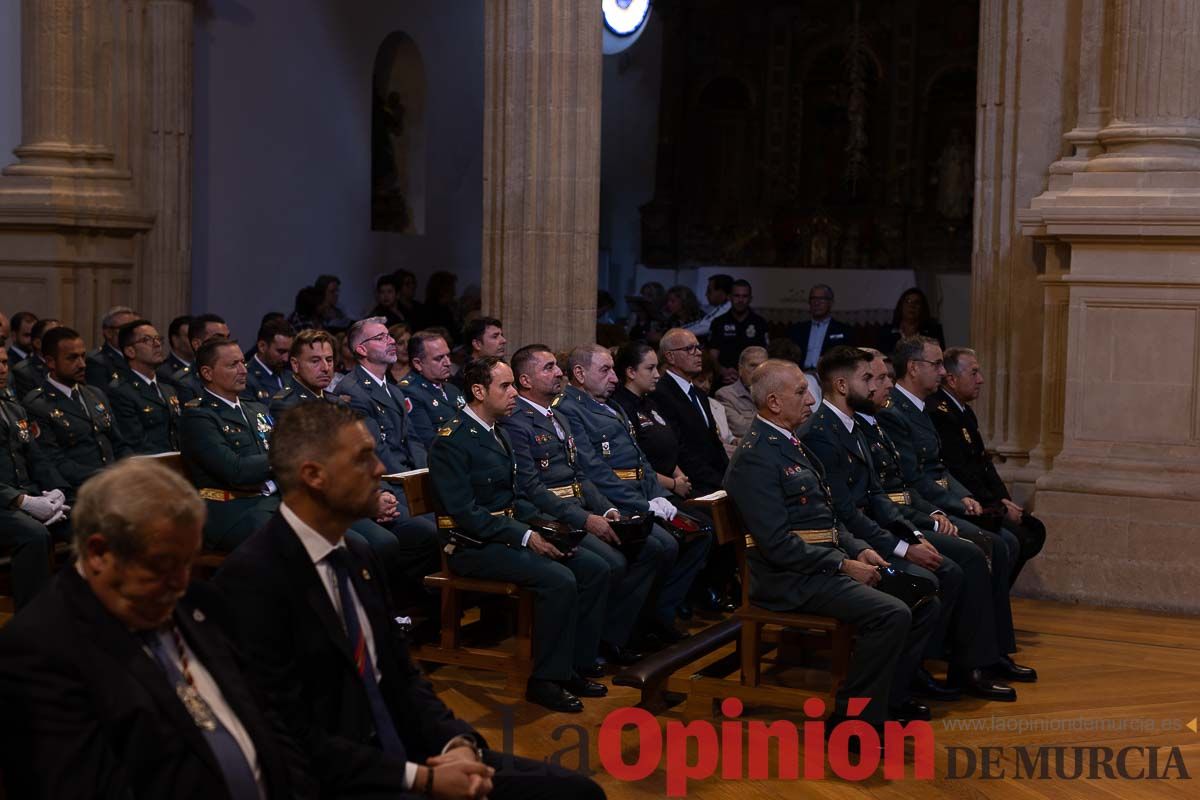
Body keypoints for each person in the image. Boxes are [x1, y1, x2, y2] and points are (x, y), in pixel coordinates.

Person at [213, 401, 604, 798]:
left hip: (410, 751)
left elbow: (401, 676)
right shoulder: (253, 579)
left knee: (578, 792)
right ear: (314, 475)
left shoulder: (356, 554)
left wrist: (457, 744)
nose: (380, 469)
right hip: (345, 780)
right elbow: (288, 737)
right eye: (363, 458)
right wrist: (424, 780)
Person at [0, 459, 312, 799]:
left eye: (188, 563)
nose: (180, 582)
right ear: (99, 553)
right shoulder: (40, 650)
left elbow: (270, 721)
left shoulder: (198, 603)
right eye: (163, 564)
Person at [724, 359, 938, 729]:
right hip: (788, 578)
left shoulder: (790, 442)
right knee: (892, 613)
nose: (811, 400)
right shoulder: (756, 456)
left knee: (924, 597)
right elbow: (777, 545)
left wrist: (858, 549)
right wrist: (842, 565)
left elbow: (829, 517)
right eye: (800, 392)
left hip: (819, 565)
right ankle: (851, 721)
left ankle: (887, 699)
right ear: (774, 402)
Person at [804, 346, 1019, 701]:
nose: (879, 385)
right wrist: (905, 545)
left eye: (881, 376)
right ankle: (919, 673)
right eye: (870, 377)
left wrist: (916, 533)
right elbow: (846, 512)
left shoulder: (854, 423)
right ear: (843, 385)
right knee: (946, 570)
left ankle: (953, 664)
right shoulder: (824, 433)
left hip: (877, 530)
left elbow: (880, 495)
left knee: (964, 557)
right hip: (854, 544)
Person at [429, 356, 612, 712]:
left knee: (593, 567)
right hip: (471, 546)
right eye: (505, 386)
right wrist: (527, 537)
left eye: (514, 384)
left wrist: (552, 527)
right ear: (479, 391)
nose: (514, 393)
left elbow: (513, 501)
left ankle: (573, 664)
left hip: (503, 534)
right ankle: (544, 680)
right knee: (558, 580)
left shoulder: (496, 431)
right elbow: (466, 514)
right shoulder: (452, 440)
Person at [875, 339, 1035, 688]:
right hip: (912, 509)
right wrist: (941, 508)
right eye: (936, 364)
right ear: (914, 367)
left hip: (931, 502)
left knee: (1002, 542)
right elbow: (911, 478)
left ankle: (992, 653)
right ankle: (971, 661)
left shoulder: (919, 407)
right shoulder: (894, 411)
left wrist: (962, 498)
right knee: (986, 546)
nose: (943, 371)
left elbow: (939, 468)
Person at [502, 344, 669, 667]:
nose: (559, 373)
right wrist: (587, 518)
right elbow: (532, 488)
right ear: (525, 380)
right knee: (609, 564)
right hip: (550, 517)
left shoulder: (557, 416)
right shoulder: (517, 421)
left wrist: (606, 510)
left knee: (651, 547)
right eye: (548, 368)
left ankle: (611, 636)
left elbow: (580, 473)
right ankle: (584, 651)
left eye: (557, 366)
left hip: (578, 508)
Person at [556, 344, 709, 644]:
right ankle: (620, 633)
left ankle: (653, 617)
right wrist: (644, 504)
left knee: (699, 532)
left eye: (613, 369)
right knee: (661, 545)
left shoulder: (610, 405)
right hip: (613, 501)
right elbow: (595, 470)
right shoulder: (569, 409)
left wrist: (657, 496)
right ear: (579, 374)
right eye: (605, 370)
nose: (614, 378)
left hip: (639, 494)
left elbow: (641, 462)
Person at [932, 347, 1046, 585]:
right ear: (952, 379)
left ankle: (997, 597)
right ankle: (992, 602)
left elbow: (984, 463)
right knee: (1012, 540)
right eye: (974, 373)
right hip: (968, 502)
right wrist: (997, 506)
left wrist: (1004, 500)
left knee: (1033, 529)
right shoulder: (941, 413)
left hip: (986, 500)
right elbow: (960, 472)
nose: (980, 380)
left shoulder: (965, 412)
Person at [179, 337, 279, 552]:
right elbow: (235, 471)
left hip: (271, 502)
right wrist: (284, 457)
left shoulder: (257, 410)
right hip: (232, 511)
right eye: (233, 365)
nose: (243, 370)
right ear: (207, 373)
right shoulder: (198, 417)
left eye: (243, 362)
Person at [0, 346, 70, 609]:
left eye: (5, 362)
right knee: (33, 534)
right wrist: (22, 501)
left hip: (25, 495)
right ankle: (33, 621)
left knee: (85, 523)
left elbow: (36, 457)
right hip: (5, 502)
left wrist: (56, 490)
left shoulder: (13, 409)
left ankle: (77, 610)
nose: (3, 369)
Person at [25, 326, 130, 491]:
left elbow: (119, 443)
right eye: (72, 358)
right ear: (51, 362)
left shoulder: (95, 394)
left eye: (83, 356)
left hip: (115, 484)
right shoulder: (38, 405)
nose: (82, 364)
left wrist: (132, 469)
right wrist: (108, 476)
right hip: (79, 489)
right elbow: (55, 462)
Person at [649, 328, 729, 497]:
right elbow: (678, 448)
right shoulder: (660, 392)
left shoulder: (699, 393)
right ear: (670, 356)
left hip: (717, 480)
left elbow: (714, 442)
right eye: (689, 349)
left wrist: (728, 476)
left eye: (698, 347)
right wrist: (716, 482)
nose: (698, 353)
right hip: (691, 484)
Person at [109, 319, 182, 454]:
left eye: (158, 338)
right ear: (130, 351)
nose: (157, 344)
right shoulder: (121, 391)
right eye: (147, 340)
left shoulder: (168, 388)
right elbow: (136, 443)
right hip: (149, 467)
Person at [398, 330, 464, 450]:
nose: (448, 363)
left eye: (448, 356)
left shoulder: (451, 388)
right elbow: (428, 441)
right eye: (439, 358)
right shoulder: (409, 392)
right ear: (418, 363)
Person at [707, 279, 770, 381]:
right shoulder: (718, 322)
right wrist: (722, 371)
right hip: (724, 378)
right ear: (730, 297)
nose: (740, 300)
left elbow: (766, 355)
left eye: (744, 296)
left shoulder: (760, 323)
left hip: (753, 380)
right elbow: (712, 356)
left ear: (750, 299)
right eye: (737, 296)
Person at [787, 284, 854, 370]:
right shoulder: (797, 329)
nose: (816, 303)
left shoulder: (844, 330)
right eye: (813, 298)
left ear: (831, 302)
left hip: (828, 376)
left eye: (821, 299)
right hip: (800, 374)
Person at [172, 313, 231, 402]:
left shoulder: (236, 373)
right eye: (218, 338)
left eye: (228, 338)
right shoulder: (184, 382)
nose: (226, 344)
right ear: (197, 344)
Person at [715, 345, 767, 440]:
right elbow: (741, 429)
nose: (758, 371)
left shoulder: (777, 393)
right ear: (740, 369)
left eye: (763, 366)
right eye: (753, 365)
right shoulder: (725, 395)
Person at [877, 288, 946, 354]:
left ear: (922, 308)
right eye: (908, 301)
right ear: (901, 306)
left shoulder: (934, 332)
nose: (912, 306)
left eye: (917, 302)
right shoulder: (886, 332)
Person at [243, 318, 295, 404]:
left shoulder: (290, 375)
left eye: (289, 352)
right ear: (262, 346)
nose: (286, 358)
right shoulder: (245, 378)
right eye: (281, 352)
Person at [86, 305, 139, 388]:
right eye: (126, 328)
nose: (133, 333)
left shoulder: (139, 356)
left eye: (135, 328)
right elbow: (103, 396)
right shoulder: (96, 361)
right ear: (109, 333)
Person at [11, 317, 61, 400]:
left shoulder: (66, 366)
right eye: (56, 337)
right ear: (38, 343)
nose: (63, 342)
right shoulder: (25, 371)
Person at [682, 274, 733, 339]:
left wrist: (676, 333)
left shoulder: (726, 308)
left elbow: (704, 326)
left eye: (709, 291)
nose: (706, 294)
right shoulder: (725, 307)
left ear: (721, 292)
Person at [423, 271, 461, 344]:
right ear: (443, 289)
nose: (454, 292)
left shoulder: (448, 309)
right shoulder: (430, 311)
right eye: (451, 287)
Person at [160, 314, 194, 386]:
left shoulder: (202, 367)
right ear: (176, 340)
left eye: (198, 337)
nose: (196, 341)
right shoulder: (164, 372)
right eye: (190, 337)